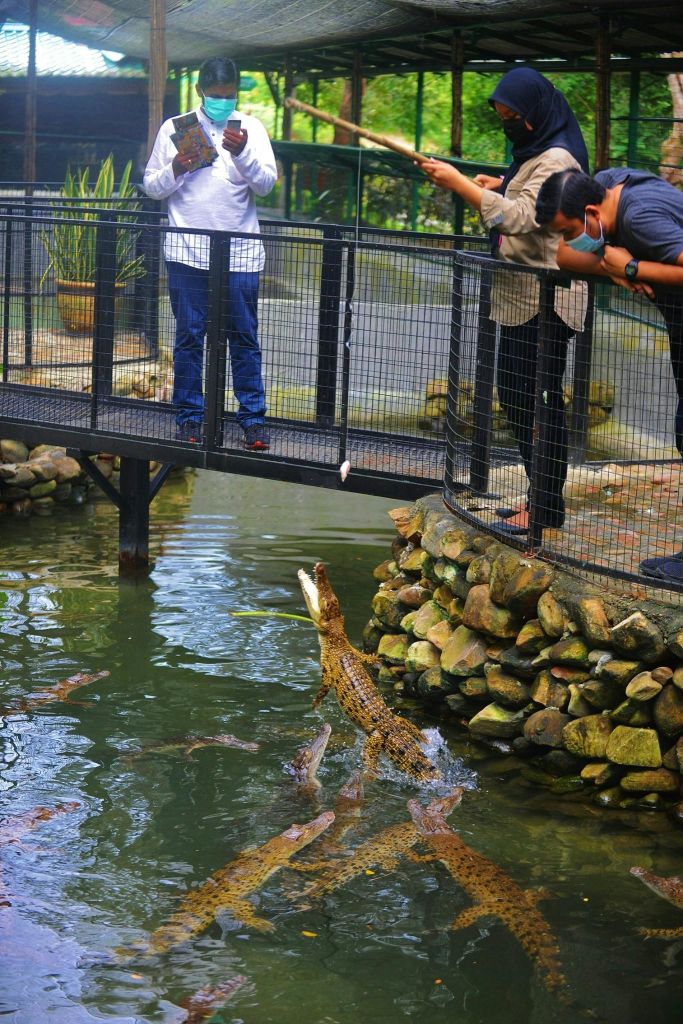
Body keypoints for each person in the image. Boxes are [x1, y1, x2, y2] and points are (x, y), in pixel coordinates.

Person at [420, 67, 589, 535]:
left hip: (548, 300)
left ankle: (547, 507)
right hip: (522, 298)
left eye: (515, 115)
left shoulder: (558, 158)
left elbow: (524, 218)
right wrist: (497, 185)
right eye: (502, 116)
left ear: (537, 111)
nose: (509, 123)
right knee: (518, 398)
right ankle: (541, 496)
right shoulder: (534, 153)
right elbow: (524, 199)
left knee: (537, 400)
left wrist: (462, 185)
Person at [535, 166, 683, 581]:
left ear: (590, 212)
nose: (569, 238)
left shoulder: (639, 218)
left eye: (569, 228)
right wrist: (615, 265)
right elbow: (565, 255)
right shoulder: (609, 184)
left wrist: (635, 268)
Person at [143, 57, 277, 449]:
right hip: (187, 253)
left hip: (240, 255)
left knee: (244, 337)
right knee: (188, 337)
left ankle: (252, 420)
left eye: (229, 95)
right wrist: (178, 166)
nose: (222, 101)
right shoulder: (176, 128)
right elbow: (153, 187)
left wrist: (243, 153)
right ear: (201, 90)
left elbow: (266, 185)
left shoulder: (251, 128)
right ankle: (189, 418)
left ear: (236, 92)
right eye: (215, 95)